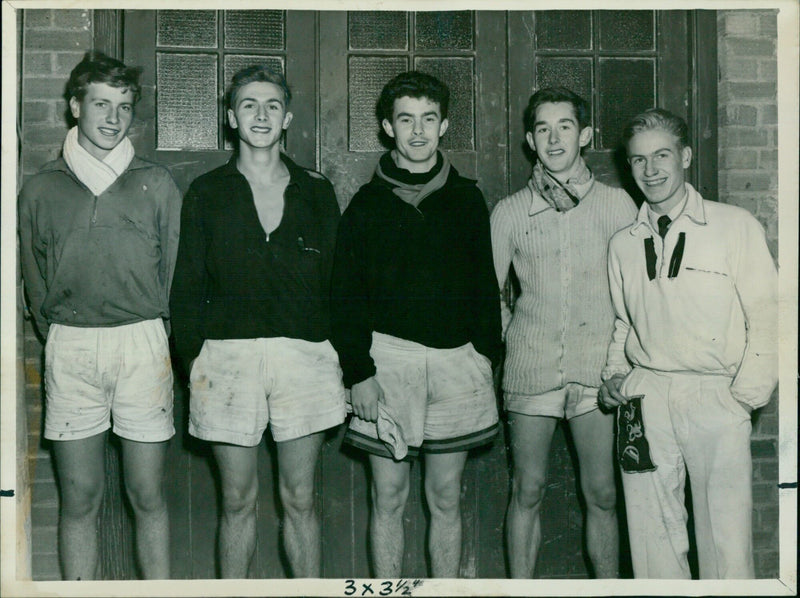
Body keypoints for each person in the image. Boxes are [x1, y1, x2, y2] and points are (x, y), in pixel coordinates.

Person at [169, 65, 346, 578]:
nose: (261, 114)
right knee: (237, 500)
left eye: (272, 105)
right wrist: (195, 359)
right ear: (231, 117)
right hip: (227, 359)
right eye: (249, 104)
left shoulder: (317, 191)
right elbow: (186, 288)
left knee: (299, 499)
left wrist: (338, 356)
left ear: (287, 117)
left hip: (304, 357)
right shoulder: (206, 192)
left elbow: (339, 283)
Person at [330, 70, 502, 578]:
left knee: (445, 495)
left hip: (456, 362)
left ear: (444, 124)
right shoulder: (365, 205)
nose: (419, 131)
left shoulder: (467, 198)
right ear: (388, 127)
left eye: (429, 118)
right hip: (389, 362)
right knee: (388, 494)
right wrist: (359, 371)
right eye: (407, 119)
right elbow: (346, 295)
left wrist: (483, 355)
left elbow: (483, 289)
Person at [18, 51, 181, 580]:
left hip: (142, 344)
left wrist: (154, 331)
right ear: (75, 107)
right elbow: (36, 282)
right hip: (71, 344)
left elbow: (173, 275)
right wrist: (63, 332)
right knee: (80, 497)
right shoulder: (41, 188)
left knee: (147, 493)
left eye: (124, 107)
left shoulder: (155, 184)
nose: (113, 118)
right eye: (101, 104)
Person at [598, 108, 778, 579]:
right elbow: (624, 324)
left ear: (686, 157)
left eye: (661, 156)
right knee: (650, 537)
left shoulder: (733, 226)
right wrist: (616, 374)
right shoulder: (622, 244)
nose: (651, 170)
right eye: (638, 161)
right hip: (646, 398)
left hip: (715, 394)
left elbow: (770, 315)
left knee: (725, 541)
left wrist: (744, 397)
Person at [490, 87, 636, 578]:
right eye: (543, 129)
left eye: (565, 127)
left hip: (598, 377)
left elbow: (634, 297)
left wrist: (618, 364)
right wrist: (517, 339)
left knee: (602, 492)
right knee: (526, 490)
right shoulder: (509, 212)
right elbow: (489, 297)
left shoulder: (619, 207)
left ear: (586, 135)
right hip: (530, 377)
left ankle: (610, 590)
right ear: (531, 140)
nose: (554, 139)